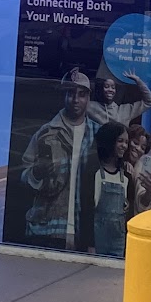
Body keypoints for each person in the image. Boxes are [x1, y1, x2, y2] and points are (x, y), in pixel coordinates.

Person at [21, 69, 99, 251]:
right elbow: (24, 175)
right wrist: (36, 173)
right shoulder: (45, 132)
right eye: (70, 93)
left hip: (84, 231)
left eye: (82, 94)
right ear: (63, 96)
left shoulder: (99, 134)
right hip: (47, 229)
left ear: (88, 98)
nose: (76, 99)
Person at [89, 121, 133, 258]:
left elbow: (129, 213)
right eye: (120, 141)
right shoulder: (95, 173)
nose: (124, 145)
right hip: (98, 239)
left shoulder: (126, 177)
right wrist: (90, 244)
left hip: (119, 242)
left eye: (126, 142)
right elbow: (87, 211)